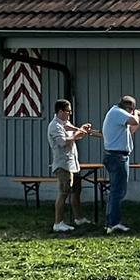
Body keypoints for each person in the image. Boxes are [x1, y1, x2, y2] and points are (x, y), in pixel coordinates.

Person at [100, 94, 140, 234]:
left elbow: (131, 130)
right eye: (132, 109)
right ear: (128, 107)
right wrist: (137, 113)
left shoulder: (118, 114)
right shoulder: (117, 112)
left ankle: (111, 222)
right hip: (116, 157)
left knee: (116, 191)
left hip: (117, 156)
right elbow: (133, 121)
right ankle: (113, 223)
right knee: (118, 191)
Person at [46, 99, 93, 232]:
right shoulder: (54, 126)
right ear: (60, 112)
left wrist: (82, 129)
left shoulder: (65, 123)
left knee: (75, 192)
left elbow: (73, 131)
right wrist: (77, 134)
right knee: (63, 193)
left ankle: (79, 218)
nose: (70, 114)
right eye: (68, 111)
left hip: (73, 163)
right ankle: (58, 223)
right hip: (63, 164)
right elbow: (62, 142)